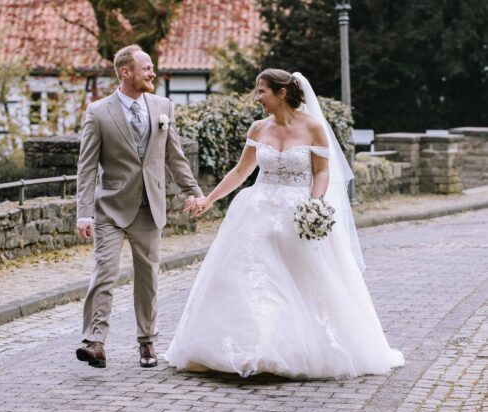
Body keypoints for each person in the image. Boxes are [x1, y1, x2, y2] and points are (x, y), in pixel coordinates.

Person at [164, 69, 404, 379]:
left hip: (298, 213)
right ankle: (252, 347)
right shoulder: (257, 128)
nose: (257, 97)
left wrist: (315, 204)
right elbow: (240, 172)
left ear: (282, 93)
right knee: (250, 278)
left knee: (303, 280)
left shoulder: (313, 128)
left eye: (262, 91)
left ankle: (294, 349)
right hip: (257, 211)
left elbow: (321, 172)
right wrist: (208, 199)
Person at [75, 45, 204, 369]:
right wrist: (84, 212)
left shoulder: (163, 107)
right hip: (110, 209)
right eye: (146, 68)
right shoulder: (98, 112)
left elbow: (174, 156)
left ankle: (147, 343)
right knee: (104, 272)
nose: (152, 73)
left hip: (150, 206)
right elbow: (87, 166)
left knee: (148, 277)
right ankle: (95, 341)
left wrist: (194, 192)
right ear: (125, 72)